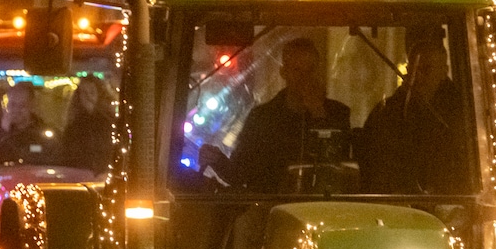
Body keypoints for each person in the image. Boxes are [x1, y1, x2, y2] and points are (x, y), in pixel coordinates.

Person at [200, 37, 351, 193]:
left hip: (320, 205)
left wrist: (319, 114)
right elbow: (241, 172)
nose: (304, 78)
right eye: (297, 70)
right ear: (284, 72)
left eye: (310, 70)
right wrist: (217, 160)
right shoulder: (262, 118)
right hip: (269, 207)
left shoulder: (338, 114)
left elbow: (338, 167)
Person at [360, 39, 470, 194]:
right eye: (412, 70)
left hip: (449, 202)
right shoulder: (386, 113)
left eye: (426, 69)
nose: (418, 77)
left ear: (444, 71)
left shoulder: (462, 114)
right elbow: (374, 166)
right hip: (397, 204)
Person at [0, 82, 53, 169]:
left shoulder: (43, 133)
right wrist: (2, 131)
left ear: (31, 106)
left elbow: (51, 160)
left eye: (22, 106)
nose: (17, 110)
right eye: (13, 105)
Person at [61, 76, 115, 173]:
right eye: (83, 93)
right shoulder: (74, 127)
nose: (87, 96)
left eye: (91, 92)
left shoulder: (110, 123)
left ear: (100, 94)